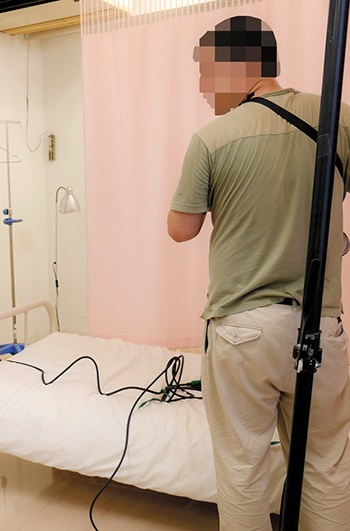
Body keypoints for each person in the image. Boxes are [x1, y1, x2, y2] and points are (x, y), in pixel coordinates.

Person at [168, 16, 350, 530]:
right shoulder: (337, 118)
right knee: (326, 466)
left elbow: (180, 230)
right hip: (320, 324)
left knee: (242, 468)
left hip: (242, 329)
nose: (203, 87)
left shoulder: (213, 139)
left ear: (240, 65)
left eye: (207, 72)